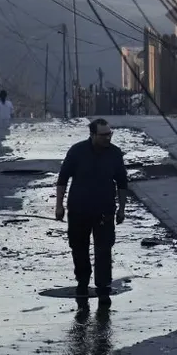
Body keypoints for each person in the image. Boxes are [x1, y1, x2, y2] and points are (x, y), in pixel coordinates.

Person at [55, 119, 128, 310]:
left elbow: (122, 182)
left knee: (104, 249)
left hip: (105, 210)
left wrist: (122, 208)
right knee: (79, 248)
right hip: (79, 209)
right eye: (103, 135)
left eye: (109, 134)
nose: (107, 138)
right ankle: (82, 282)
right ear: (93, 135)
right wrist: (59, 206)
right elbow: (62, 179)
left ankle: (103, 288)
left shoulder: (114, 153)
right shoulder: (77, 152)